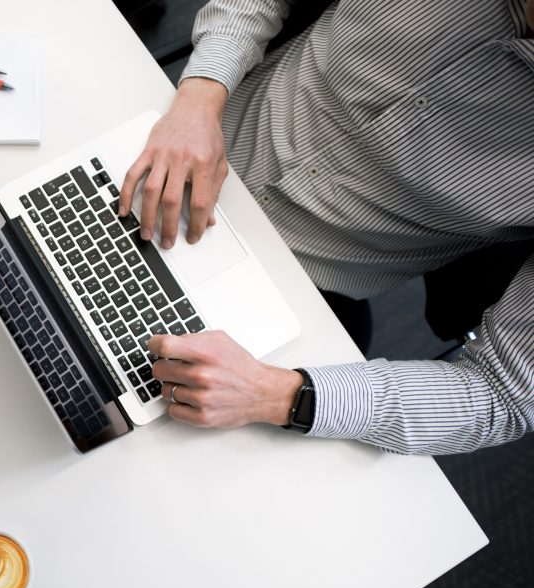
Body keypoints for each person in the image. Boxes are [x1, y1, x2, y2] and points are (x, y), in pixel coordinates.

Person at [120, 0, 534, 454]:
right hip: (176, 136)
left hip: (293, 291)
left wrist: (277, 394)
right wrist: (201, 96)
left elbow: (502, 393)